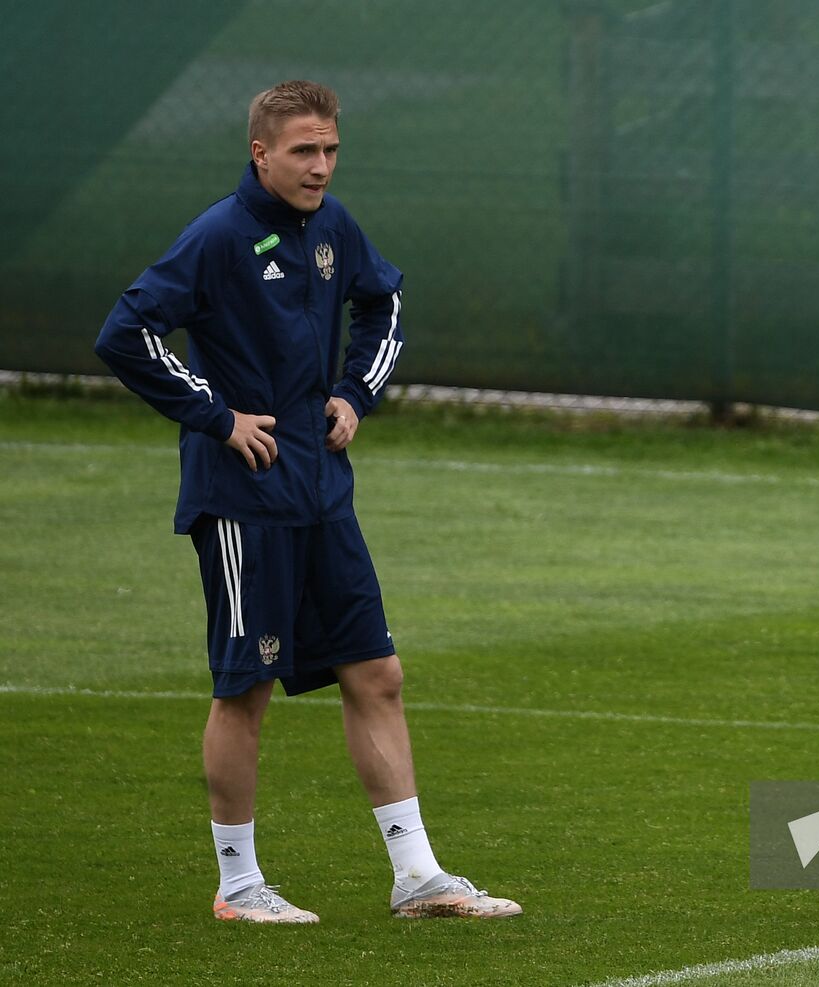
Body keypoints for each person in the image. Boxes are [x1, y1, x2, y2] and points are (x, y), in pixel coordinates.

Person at [94, 80, 521, 924]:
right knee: (245, 687)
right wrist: (215, 418)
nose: (320, 167)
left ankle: (418, 877)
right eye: (303, 151)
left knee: (376, 671)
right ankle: (239, 884)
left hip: (323, 492)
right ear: (261, 152)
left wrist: (357, 390)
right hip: (244, 500)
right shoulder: (218, 236)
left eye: (329, 150)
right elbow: (127, 331)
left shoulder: (335, 228)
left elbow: (384, 300)